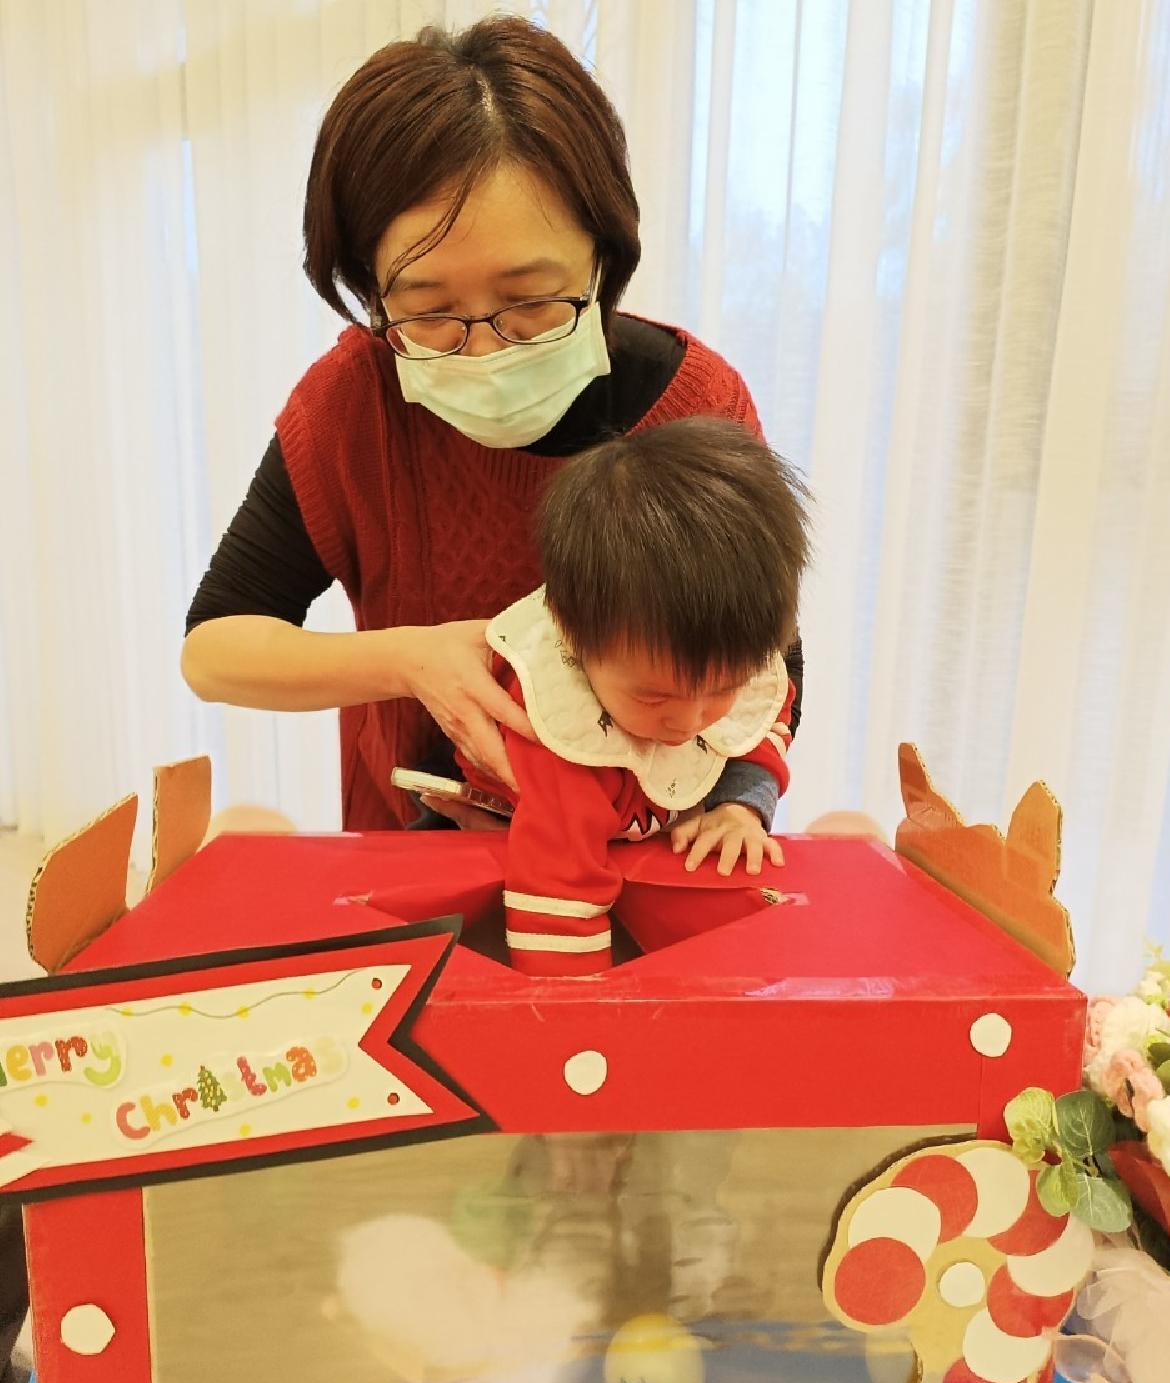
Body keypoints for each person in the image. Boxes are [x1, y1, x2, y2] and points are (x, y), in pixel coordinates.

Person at [181, 16, 804, 866]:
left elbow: (765, 657)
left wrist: (741, 802)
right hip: (422, 852)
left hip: (657, 855)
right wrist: (411, 661)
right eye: (429, 311)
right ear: (370, 289)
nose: (483, 351)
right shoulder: (353, 405)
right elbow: (215, 650)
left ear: (602, 259)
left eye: (530, 302)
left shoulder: (694, 405)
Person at [450, 417, 809, 977]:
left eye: (723, 688)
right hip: (511, 835)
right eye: (654, 697)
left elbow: (758, 727)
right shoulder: (553, 728)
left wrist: (740, 807)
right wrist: (583, 1010)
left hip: (641, 833)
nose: (689, 720)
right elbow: (556, 892)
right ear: (574, 639)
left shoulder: (739, 662)